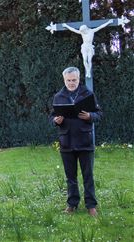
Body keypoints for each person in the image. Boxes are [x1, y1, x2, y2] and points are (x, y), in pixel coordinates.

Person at [50, 67, 102, 216]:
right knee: (70, 177)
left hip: (85, 141)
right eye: (68, 80)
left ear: (79, 79)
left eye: (74, 80)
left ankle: (91, 205)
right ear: (64, 80)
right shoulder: (58, 96)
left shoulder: (88, 94)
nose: (71, 83)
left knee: (88, 176)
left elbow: (99, 113)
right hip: (66, 142)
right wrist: (55, 120)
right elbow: (51, 117)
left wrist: (90, 116)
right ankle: (72, 204)